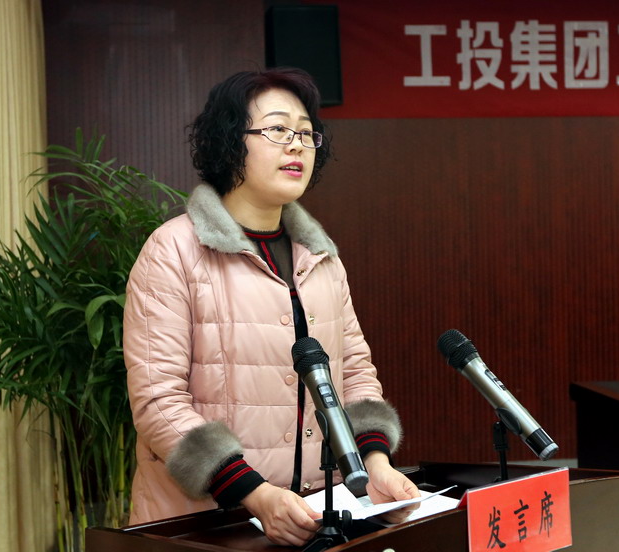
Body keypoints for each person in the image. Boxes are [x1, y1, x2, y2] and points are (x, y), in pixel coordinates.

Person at [123, 67, 419, 546]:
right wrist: (256, 495)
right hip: (208, 525)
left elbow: (355, 375)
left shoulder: (321, 258)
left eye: (306, 133)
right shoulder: (173, 250)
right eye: (278, 129)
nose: (297, 145)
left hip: (317, 516)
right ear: (229, 142)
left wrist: (376, 464)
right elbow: (159, 402)